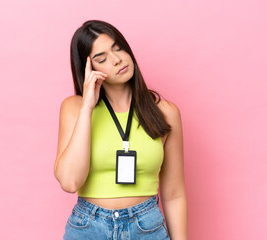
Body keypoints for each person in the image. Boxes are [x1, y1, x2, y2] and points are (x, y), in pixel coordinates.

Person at [54, 19, 187, 240]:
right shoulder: (74, 108)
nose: (117, 60)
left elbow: (174, 195)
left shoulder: (166, 112)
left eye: (118, 48)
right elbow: (70, 182)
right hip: (88, 228)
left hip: (147, 227)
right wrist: (87, 107)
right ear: (89, 68)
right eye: (102, 58)